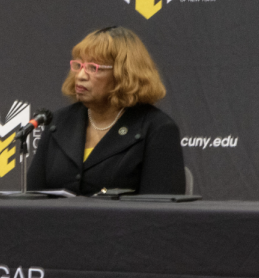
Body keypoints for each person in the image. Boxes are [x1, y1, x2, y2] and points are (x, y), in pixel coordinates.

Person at [26, 26, 185, 196]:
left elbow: (162, 212)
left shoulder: (157, 129)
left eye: (93, 68)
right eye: (79, 65)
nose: (80, 75)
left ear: (124, 74)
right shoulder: (58, 122)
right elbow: (33, 197)